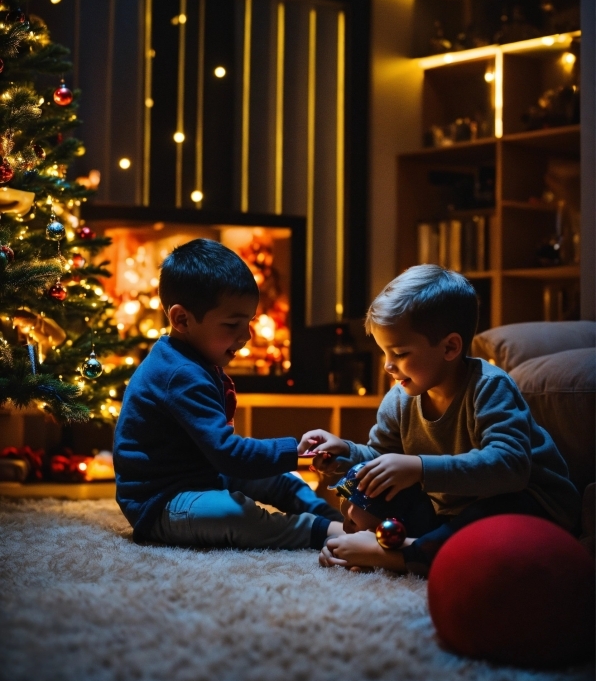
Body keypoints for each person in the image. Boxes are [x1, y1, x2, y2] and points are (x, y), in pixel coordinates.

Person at [299, 264, 581, 575]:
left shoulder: (489, 388)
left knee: (492, 512)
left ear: (450, 347)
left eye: (400, 353)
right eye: (384, 353)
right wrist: (345, 453)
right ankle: (404, 545)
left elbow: (510, 467)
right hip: (452, 508)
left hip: (530, 505)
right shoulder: (400, 398)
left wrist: (418, 468)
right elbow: (382, 458)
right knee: (375, 494)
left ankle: (403, 554)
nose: (388, 367)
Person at [113, 238, 343, 550]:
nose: (246, 336)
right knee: (232, 513)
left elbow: (223, 457)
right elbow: (228, 455)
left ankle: (336, 521)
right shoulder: (180, 374)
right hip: (160, 502)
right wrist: (294, 450)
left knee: (281, 480)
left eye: (248, 322)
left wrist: (285, 460)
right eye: (233, 324)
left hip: (203, 475)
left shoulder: (194, 360)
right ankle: (323, 532)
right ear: (182, 319)